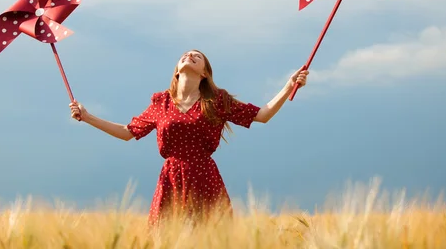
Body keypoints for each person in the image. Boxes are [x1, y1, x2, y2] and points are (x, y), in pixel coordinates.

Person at [69, 49, 309, 226]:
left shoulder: (217, 101)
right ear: (177, 70)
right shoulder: (161, 102)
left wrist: (289, 86)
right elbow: (127, 132)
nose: (189, 55)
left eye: (197, 56)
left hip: (205, 177)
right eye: (185, 54)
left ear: (204, 73)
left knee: (211, 237)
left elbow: (263, 115)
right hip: (171, 180)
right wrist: (88, 117)